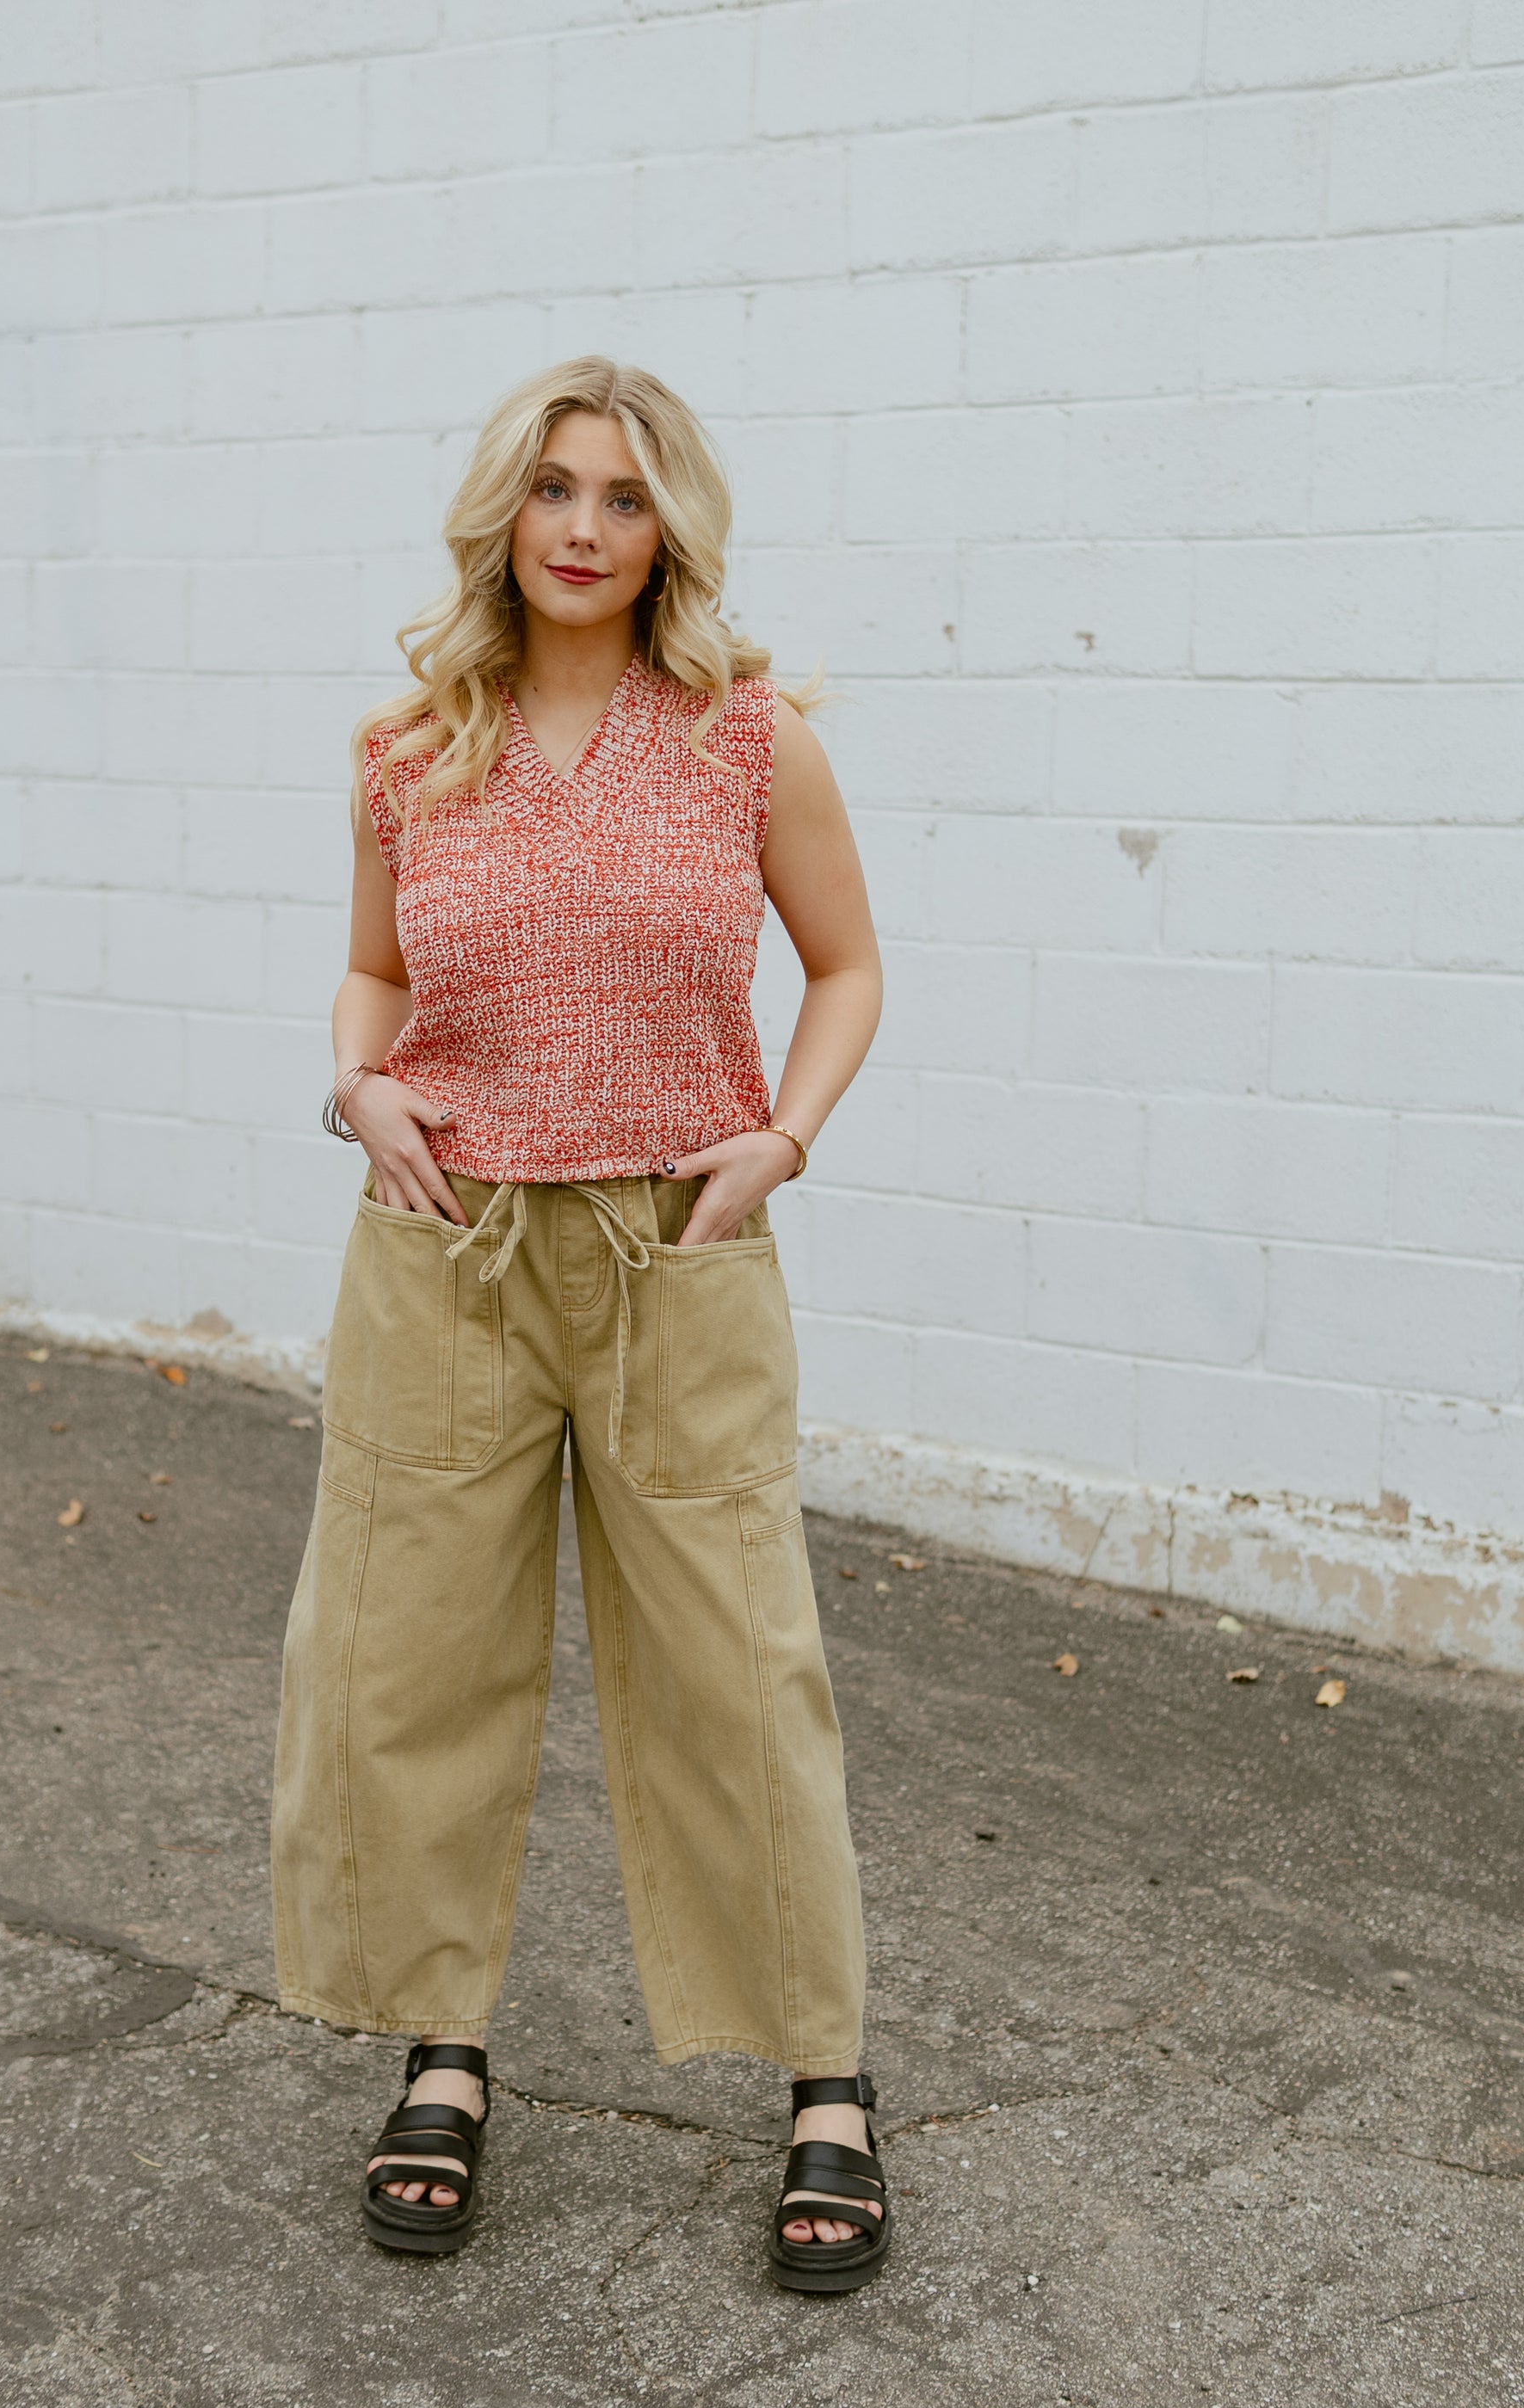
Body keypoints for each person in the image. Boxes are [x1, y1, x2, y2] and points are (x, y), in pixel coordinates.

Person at [270, 357, 890, 2293]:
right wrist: (356, 1083)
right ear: (503, 510)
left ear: (667, 531)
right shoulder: (406, 747)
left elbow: (847, 965)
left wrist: (780, 1139)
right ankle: (440, 2052)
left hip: (668, 1247)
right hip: (444, 1248)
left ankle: (826, 2080)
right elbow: (374, 974)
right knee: (406, 1661)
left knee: (739, 1666)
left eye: (624, 497)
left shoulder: (745, 738)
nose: (582, 527)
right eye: (553, 487)